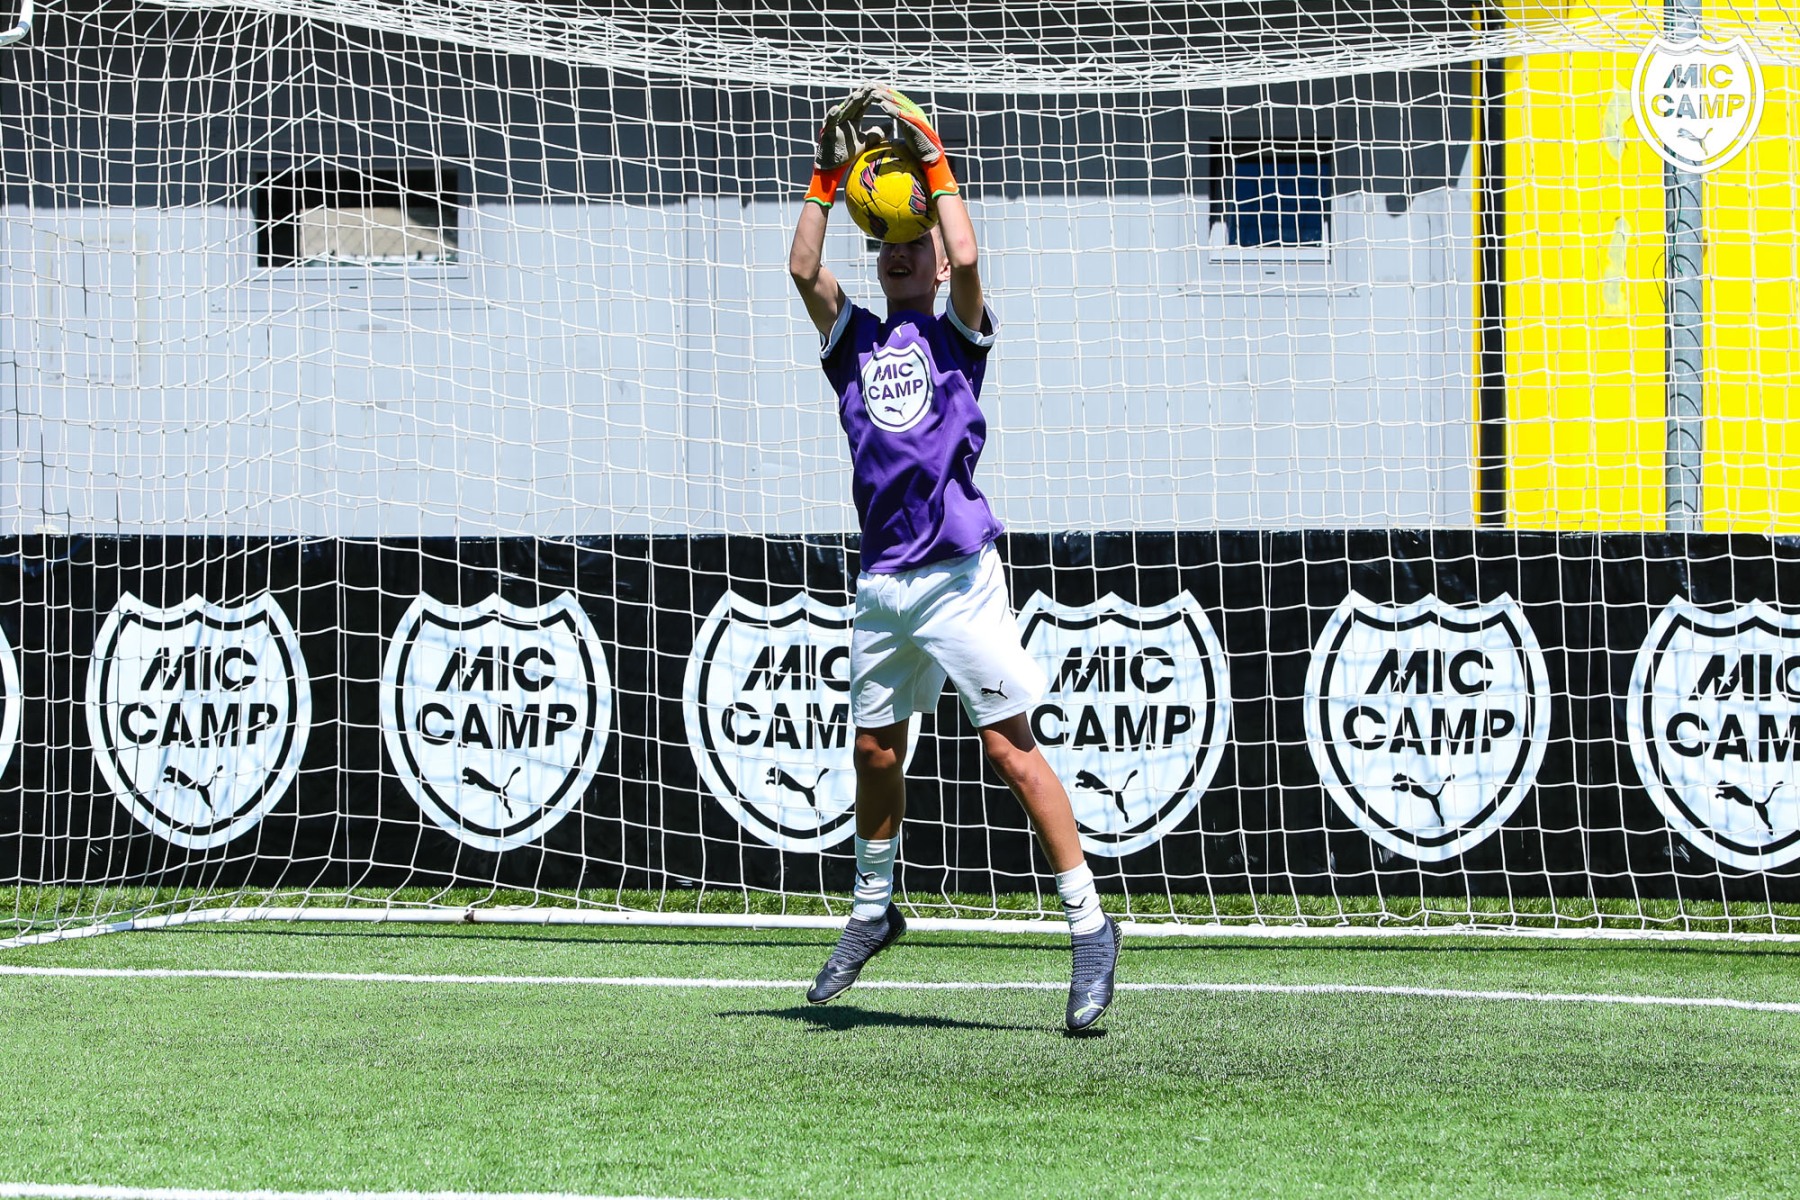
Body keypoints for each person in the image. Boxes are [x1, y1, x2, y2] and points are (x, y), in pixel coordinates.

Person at [786, 85, 1120, 1032]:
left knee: (1010, 752)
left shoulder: (956, 335)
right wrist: (825, 177)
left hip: (959, 576)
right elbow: (802, 266)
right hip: (882, 581)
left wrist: (930, 157)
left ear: (934, 261)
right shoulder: (854, 339)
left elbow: (969, 253)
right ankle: (873, 911)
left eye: (915, 240)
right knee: (874, 751)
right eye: (886, 240)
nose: (900, 250)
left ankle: (1091, 926)